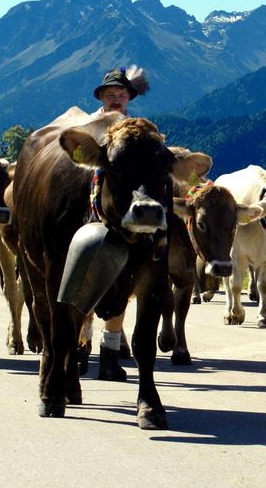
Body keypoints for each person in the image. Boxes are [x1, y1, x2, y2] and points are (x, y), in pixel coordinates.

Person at [90, 66, 148, 381]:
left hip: (126, 219)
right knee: (84, 283)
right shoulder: (90, 128)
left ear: (128, 98)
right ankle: (80, 345)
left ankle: (109, 353)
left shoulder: (137, 130)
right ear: (101, 97)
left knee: (123, 285)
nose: (115, 99)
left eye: (120, 95)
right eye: (110, 95)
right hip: (91, 214)